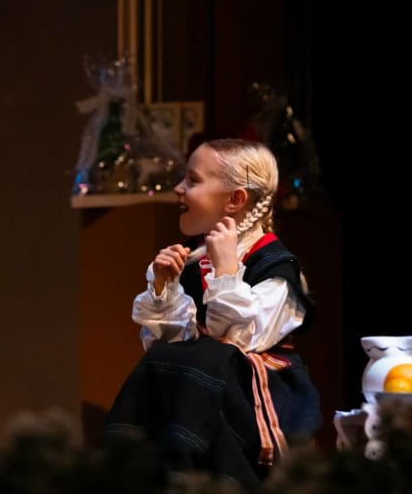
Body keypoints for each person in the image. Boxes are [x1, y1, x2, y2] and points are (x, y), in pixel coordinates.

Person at [105, 138, 322, 488]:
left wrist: (226, 271)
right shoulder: (193, 261)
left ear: (235, 199)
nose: (179, 189)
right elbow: (173, 348)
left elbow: (236, 341)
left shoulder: (276, 268)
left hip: (254, 405)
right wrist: (163, 288)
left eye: (192, 180)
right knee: (167, 367)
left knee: (206, 359)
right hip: (202, 401)